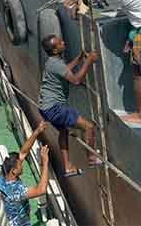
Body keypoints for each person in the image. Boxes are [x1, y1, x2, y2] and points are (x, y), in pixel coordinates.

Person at [38, 35, 101, 176]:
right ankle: (91, 158)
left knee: (64, 131)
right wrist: (89, 61)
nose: (63, 42)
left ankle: (67, 167)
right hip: (55, 108)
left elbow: (65, 70)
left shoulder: (52, 62)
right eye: (60, 42)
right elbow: (76, 80)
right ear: (55, 50)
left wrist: (79, 59)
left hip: (44, 107)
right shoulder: (56, 63)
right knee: (89, 127)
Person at [0, 122, 50, 226]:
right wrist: (45, 162)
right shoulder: (17, 191)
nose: (22, 165)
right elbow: (41, 189)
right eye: (20, 166)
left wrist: (37, 131)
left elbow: (23, 153)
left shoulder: (3, 176)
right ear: (14, 170)